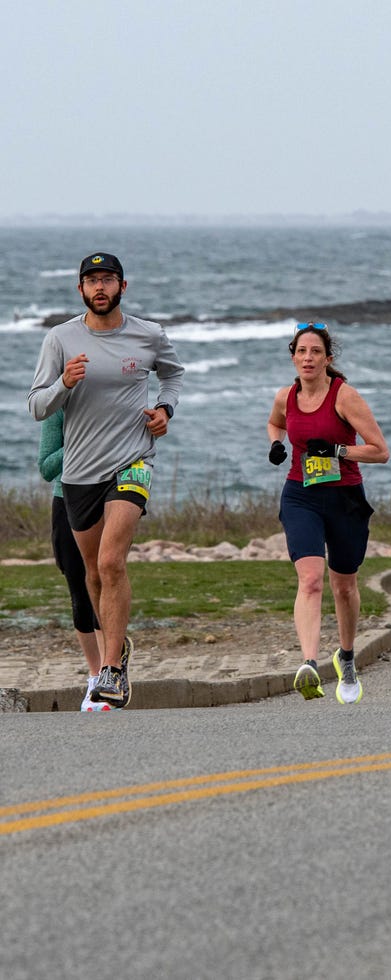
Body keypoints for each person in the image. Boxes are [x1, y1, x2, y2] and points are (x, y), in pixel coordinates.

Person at [28, 252, 184, 707]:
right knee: (93, 572)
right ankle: (118, 647)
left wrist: (164, 409)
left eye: (108, 279)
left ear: (122, 286)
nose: (100, 287)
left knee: (113, 562)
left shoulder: (148, 334)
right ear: (80, 289)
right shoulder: (60, 340)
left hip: (133, 461)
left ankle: (110, 671)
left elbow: (173, 375)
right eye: (92, 280)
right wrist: (64, 383)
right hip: (79, 473)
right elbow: (37, 406)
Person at [268, 322, 389, 702]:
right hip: (301, 495)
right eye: (301, 351)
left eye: (315, 352)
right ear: (293, 356)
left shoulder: (344, 396)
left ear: (327, 359)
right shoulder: (285, 396)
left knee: (344, 585)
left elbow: (380, 451)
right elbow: (275, 424)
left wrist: (337, 451)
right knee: (311, 580)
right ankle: (308, 663)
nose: (308, 358)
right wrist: (276, 444)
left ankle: (346, 656)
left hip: (345, 498)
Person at [37, 408, 106, 711]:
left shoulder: (111, 402)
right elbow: (47, 466)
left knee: (104, 582)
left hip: (107, 500)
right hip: (65, 502)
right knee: (79, 590)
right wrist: (81, 440)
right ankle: (95, 676)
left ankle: (111, 671)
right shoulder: (59, 410)